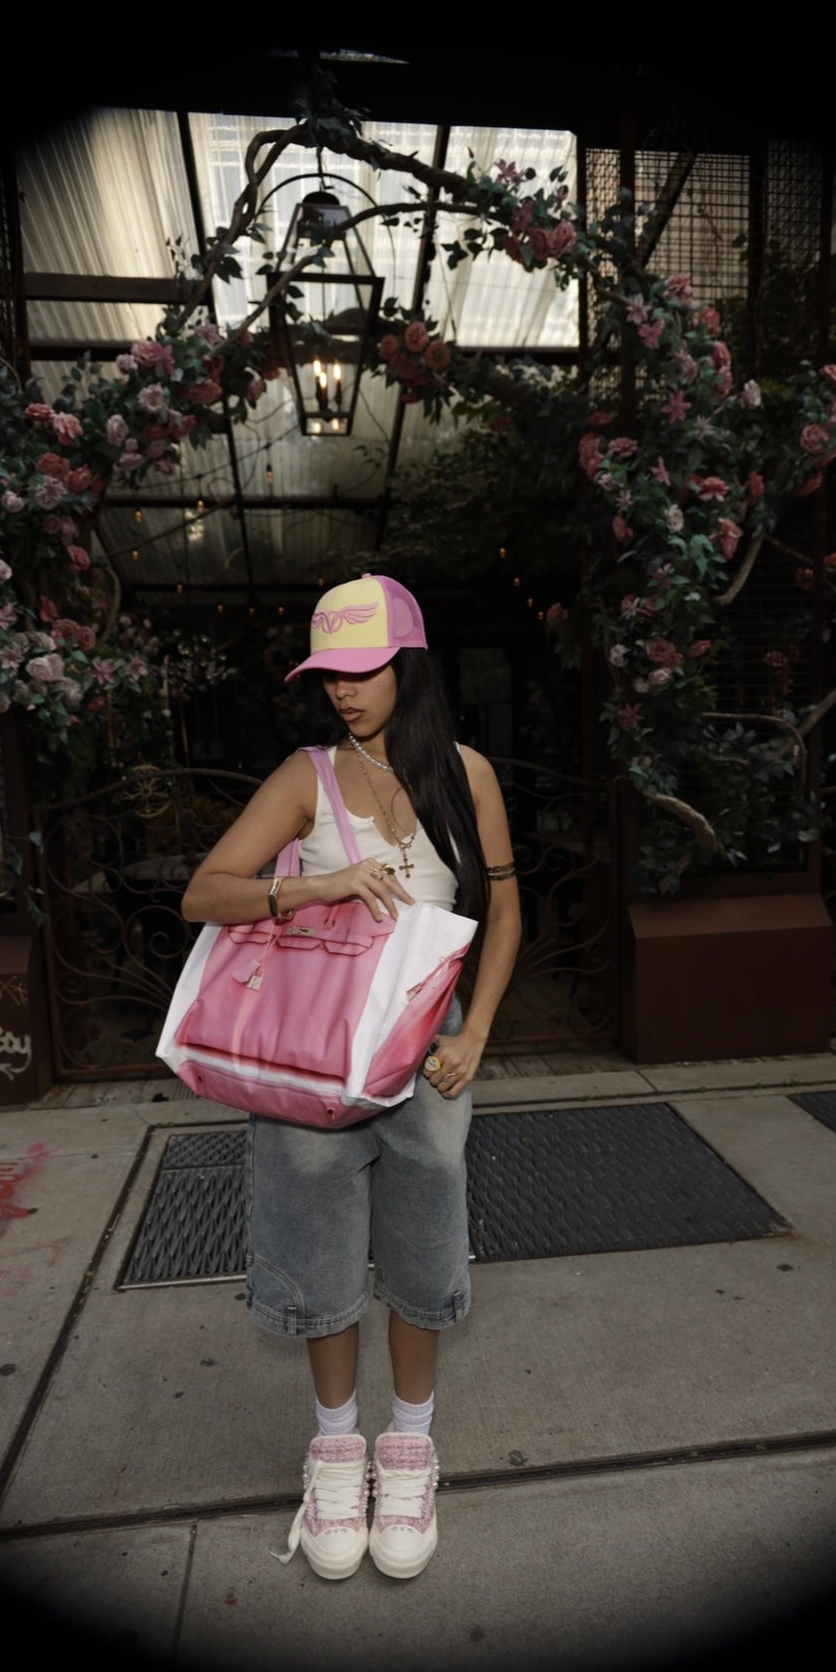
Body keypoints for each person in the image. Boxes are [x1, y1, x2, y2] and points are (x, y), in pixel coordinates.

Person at [181, 573, 521, 1580]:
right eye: (329, 673)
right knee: (317, 1247)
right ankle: (336, 1451)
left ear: (408, 666)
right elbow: (205, 894)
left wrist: (480, 1032)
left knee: (423, 1248)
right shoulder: (305, 775)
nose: (343, 691)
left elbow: (506, 911)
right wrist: (315, 882)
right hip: (315, 1050)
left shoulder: (468, 776)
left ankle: (407, 1446)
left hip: (431, 1048)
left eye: (361, 669)